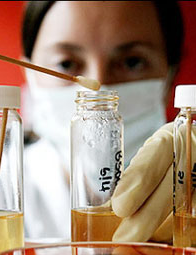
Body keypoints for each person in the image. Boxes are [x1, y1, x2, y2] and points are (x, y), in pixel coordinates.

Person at [21, 1, 184, 240]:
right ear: (30, 74)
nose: (98, 87)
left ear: (170, 78)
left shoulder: (193, 180)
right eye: (66, 63)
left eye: (132, 62)